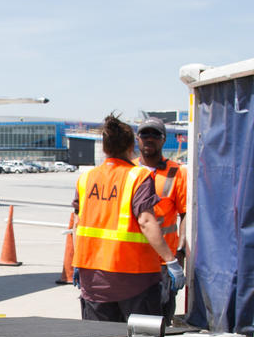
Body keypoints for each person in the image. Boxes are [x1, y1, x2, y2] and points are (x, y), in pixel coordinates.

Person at [72, 114, 184, 322]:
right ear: (131, 146)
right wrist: (171, 261)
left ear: (105, 147)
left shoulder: (86, 178)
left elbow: (78, 224)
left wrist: (77, 261)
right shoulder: (138, 176)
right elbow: (146, 221)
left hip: (93, 278)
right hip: (135, 277)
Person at [135, 117, 188, 320]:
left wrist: (179, 253)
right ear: (137, 139)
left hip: (164, 264)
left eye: (155, 134)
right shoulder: (130, 170)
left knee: (160, 321)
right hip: (133, 260)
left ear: (164, 139)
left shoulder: (176, 172)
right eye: (145, 134)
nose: (149, 138)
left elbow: (185, 214)